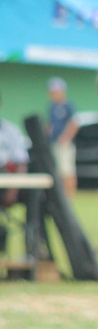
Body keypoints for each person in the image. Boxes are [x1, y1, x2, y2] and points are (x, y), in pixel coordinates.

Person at [0, 91, 31, 253]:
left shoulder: (9, 130)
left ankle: (33, 251)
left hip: (6, 184)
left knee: (35, 198)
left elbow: (21, 162)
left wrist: (13, 190)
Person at [46, 77, 77, 197]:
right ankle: (61, 196)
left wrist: (66, 137)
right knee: (58, 172)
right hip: (54, 143)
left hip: (64, 144)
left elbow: (74, 123)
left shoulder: (68, 105)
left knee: (67, 171)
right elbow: (51, 125)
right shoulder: (51, 107)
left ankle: (70, 196)